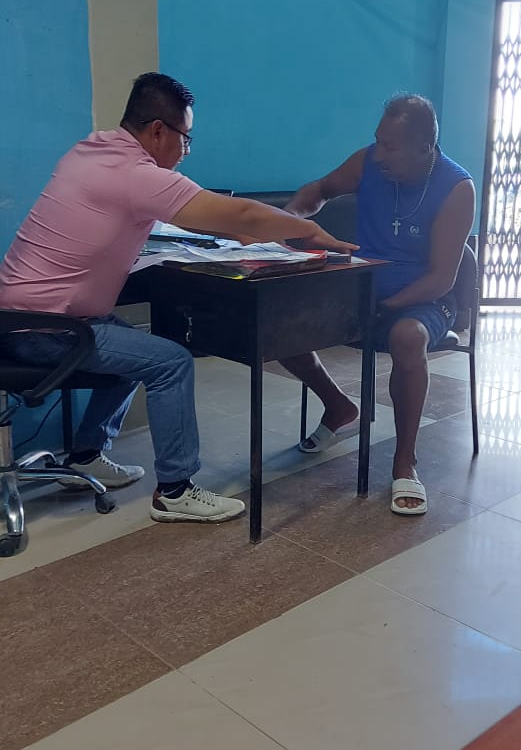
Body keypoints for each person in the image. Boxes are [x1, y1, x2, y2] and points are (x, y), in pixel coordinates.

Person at [0, 72, 352, 525]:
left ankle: (86, 454)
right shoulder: (135, 174)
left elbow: (201, 218)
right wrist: (309, 229)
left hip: (22, 317)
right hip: (46, 329)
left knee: (134, 346)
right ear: (157, 131)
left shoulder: (92, 150)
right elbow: (241, 212)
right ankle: (175, 490)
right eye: (185, 139)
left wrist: (246, 235)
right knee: (170, 362)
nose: (186, 151)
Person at [282, 94, 476, 516]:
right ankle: (338, 405)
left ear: (424, 147)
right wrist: (292, 216)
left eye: (390, 147)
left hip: (424, 300)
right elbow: (320, 189)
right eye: (378, 142)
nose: (380, 154)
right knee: (280, 324)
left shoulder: (456, 187)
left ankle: (405, 461)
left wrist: (386, 305)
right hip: (362, 289)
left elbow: (442, 278)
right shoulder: (368, 161)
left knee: (407, 337)